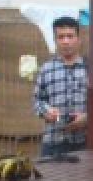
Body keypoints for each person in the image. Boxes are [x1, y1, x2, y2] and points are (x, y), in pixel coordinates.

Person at [33, 16, 88, 158]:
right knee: (51, 180)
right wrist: (47, 111)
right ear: (55, 40)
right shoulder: (46, 69)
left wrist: (87, 118)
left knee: (85, 180)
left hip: (85, 142)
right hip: (53, 142)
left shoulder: (91, 69)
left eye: (70, 36)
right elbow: (37, 101)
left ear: (78, 39)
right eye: (61, 37)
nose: (66, 41)